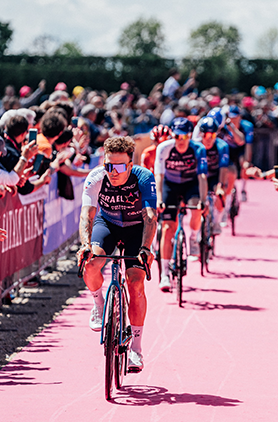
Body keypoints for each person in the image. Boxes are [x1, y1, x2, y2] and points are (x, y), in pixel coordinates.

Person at [77, 136, 157, 373]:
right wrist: (85, 245)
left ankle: (136, 349)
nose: (113, 172)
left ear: (130, 166)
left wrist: (146, 248)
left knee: (135, 283)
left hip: (136, 229)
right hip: (108, 225)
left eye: (120, 167)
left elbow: (150, 217)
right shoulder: (96, 177)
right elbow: (86, 215)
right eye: (109, 165)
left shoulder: (144, 177)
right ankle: (99, 304)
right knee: (90, 264)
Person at [154, 117, 208, 291]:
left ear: (190, 135)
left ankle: (193, 237)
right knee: (167, 228)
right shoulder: (164, 148)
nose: (181, 140)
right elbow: (159, 176)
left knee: (196, 209)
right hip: (170, 185)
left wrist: (203, 200)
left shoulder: (198, 149)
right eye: (177, 136)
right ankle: (164, 274)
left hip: (190, 184)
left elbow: (202, 176)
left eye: (184, 136)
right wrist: (159, 199)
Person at [194, 116, 230, 235]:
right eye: (206, 135)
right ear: (201, 134)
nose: (209, 139)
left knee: (221, 194)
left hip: (215, 176)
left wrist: (220, 186)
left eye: (212, 135)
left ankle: (217, 221)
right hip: (199, 177)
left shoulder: (222, 146)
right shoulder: (195, 146)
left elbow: (223, 168)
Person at [217, 105, 253, 204]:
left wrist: (247, 161)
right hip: (228, 149)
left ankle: (243, 189)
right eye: (231, 117)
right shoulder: (224, 125)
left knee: (244, 164)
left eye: (235, 117)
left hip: (241, 149)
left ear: (239, 117)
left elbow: (247, 145)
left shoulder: (247, 126)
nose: (233, 119)